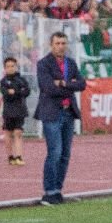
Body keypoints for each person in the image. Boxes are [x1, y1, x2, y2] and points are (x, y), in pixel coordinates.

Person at [34, 31, 85, 205]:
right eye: (57, 43)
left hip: (68, 111)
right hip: (52, 113)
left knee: (65, 154)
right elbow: (48, 88)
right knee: (54, 152)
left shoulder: (71, 63)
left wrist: (63, 83)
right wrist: (70, 87)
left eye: (63, 43)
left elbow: (82, 84)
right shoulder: (44, 64)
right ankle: (49, 191)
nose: (61, 46)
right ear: (51, 45)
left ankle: (57, 190)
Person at [0, 55, 30, 165]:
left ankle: (19, 156)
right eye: (8, 66)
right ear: (5, 68)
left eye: (12, 66)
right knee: (8, 133)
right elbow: (6, 94)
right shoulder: (3, 81)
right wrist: (17, 92)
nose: (10, 68)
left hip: (20, 110)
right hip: (8, 111)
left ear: (16, 67)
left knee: (18, 132)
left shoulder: (22, 80)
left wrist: (15, 92)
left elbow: (26, 92)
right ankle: (10, 156)